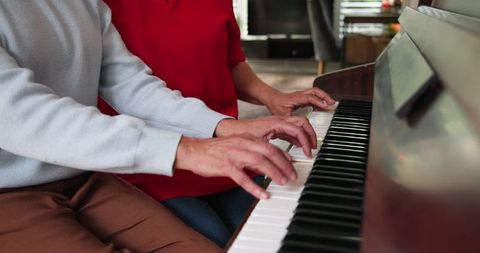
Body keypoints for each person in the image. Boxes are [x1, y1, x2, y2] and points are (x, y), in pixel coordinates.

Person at [0, 1, 319, 252]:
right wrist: (184, 149)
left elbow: (130, 83)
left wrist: (222, 127)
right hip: (9, 193)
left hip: (84, 176)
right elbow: (17, 114)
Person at [99, 0, 336, 248]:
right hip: (151, 167)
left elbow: (231, 62)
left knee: (290, 228)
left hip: (229, 154)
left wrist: (273, 98)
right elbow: (123, 86)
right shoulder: (99, 5)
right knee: (223, 243)